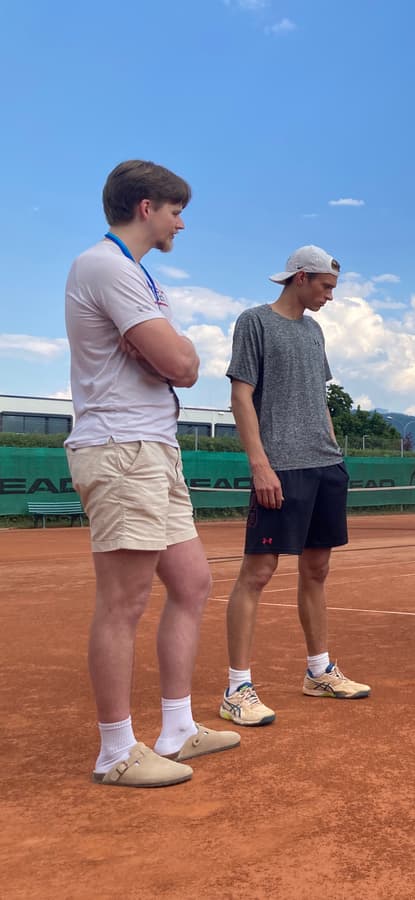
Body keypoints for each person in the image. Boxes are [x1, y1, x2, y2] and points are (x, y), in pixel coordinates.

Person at [65, 160, 238, 787]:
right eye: (174, 211)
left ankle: (176, 728)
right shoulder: (106, 267)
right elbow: (182, 363)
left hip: (153, 449)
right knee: (124, 600)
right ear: (145, 208)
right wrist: (171, 354)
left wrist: (171, 355)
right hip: (120, 448)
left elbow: (179, 360)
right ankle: (115, 751)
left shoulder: (137, 276)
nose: (180, 222)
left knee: (191, 582)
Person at [219, 245, 369, 728]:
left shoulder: (314, 330)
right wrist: (260, 464)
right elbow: (241, 397)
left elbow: (318, 397)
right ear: (301, 277)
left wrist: (332, 448)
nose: (330, 296)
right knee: (257, 574)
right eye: (326, 287)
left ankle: (318, 671)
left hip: (325, 465)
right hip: (281, 467)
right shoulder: (254, 322)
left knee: (318, 569)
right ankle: (237, 687)